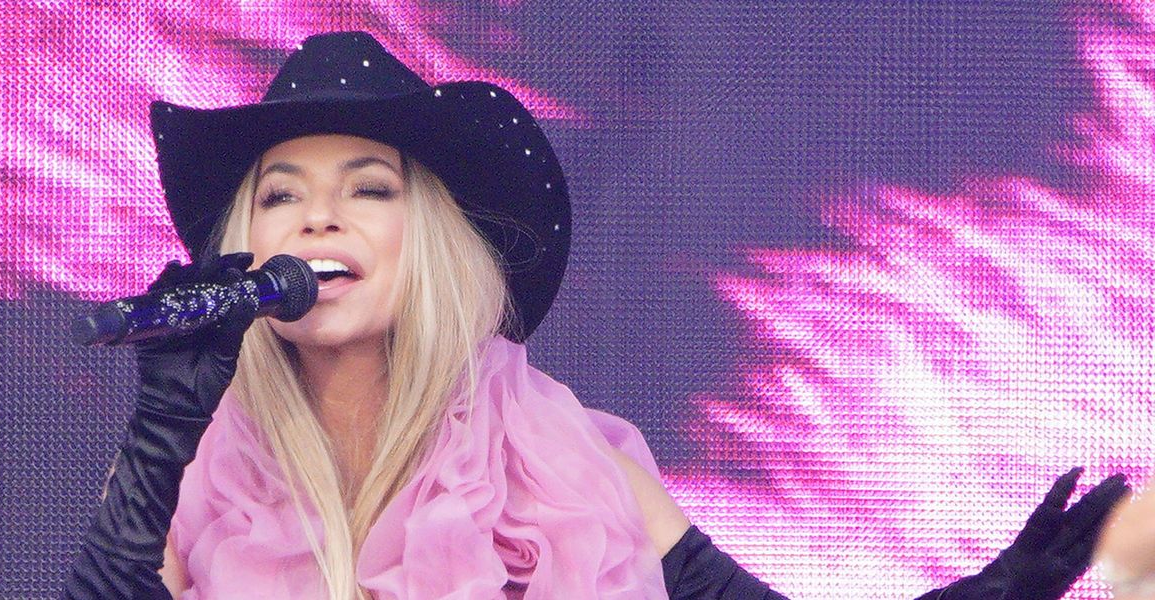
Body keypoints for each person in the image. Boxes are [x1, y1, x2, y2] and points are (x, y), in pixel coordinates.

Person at [62, 31, 1128, 599]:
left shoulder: (553, 448)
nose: (317, 217)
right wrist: (166, 417)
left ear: (427, 241)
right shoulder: (184, 460)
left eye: (368, 188)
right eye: (281, 195)